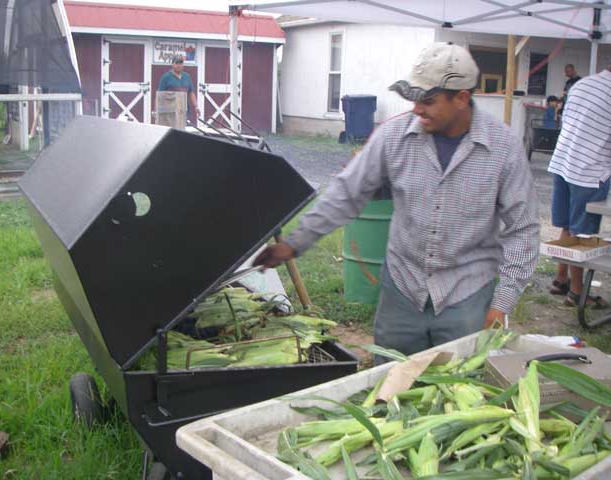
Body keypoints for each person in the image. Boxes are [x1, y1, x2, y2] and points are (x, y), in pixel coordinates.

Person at [254, 43, 540, 360]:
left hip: (467, 293)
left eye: (428, 101)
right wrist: (294, 244)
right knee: (389, 382)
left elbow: (523, 229)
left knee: (459, 389)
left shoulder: (503, 149)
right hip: (403, 289)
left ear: (461, 98)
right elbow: (347, 193)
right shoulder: (394, 137)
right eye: (415, 100)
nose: (417, 109)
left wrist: (502, 303)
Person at [548, 61, 611, 309]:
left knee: (566, 225)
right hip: (589, 170)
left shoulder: (582, 84)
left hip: (563, 160)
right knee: (581, 235)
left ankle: (561, 279)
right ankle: (576, 293)